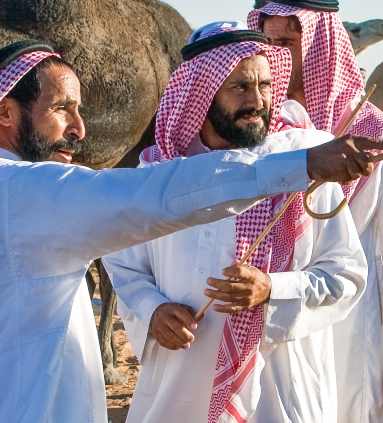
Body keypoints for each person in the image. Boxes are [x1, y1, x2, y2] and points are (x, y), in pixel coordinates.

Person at [0, 40, 383, 423]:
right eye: (63, 109)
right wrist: (298, 163)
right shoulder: (22, 193)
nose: (80, 129)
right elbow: (156, 196)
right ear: (4, 113)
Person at [104, 25, 366, 423]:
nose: (258, 100)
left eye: (264, 85)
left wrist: (272, 288)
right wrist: (153, 310)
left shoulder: (306, 163)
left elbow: (346, 275)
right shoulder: (159, 173)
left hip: (279, 391)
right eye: (240, 87)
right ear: (200, 94)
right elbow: (123, 266)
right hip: (179, 388)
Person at [251, 0, 383, 419]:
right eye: (266, 42)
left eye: (285, 44)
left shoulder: (370, 135)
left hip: (351, 323)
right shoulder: (258, 128)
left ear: (317, 47)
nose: (273, 56)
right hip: (278, 311)